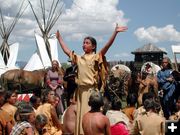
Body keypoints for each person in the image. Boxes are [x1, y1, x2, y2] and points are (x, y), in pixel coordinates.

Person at [56, 24, 127, 135]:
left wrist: (115, 33)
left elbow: (107, 46)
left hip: (91, 92)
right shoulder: (79, 58)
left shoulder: (96, 57)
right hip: (80, 92)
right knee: (80, 117)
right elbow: (66, 50)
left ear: (93, 46)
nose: (84, 44)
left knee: (90, 115)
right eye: (84, 43)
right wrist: (59, 39)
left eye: (87, 43)